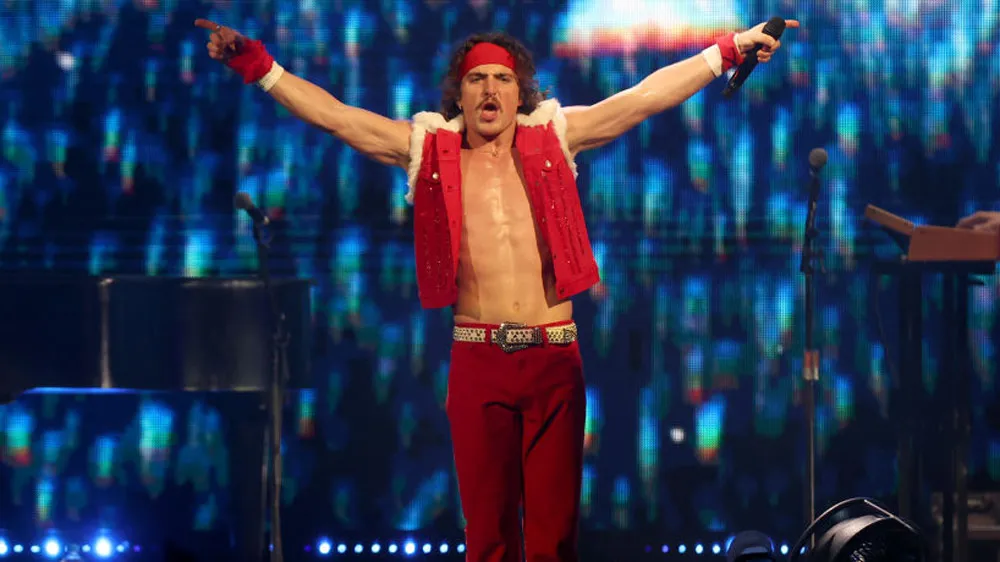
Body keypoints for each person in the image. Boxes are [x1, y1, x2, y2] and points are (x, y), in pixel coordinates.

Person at [195, 17, 797, 562]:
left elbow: (643, 97)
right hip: (479, 360)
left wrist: (728, 49)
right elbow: (337, 117)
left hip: (553, 358)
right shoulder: (430, 149)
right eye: (476, 79)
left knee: (553, 538)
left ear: (520, 91)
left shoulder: (554, 136)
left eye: (502, 80)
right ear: (458, 94)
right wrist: (257, 64)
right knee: (488, 538)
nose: (490, 90)